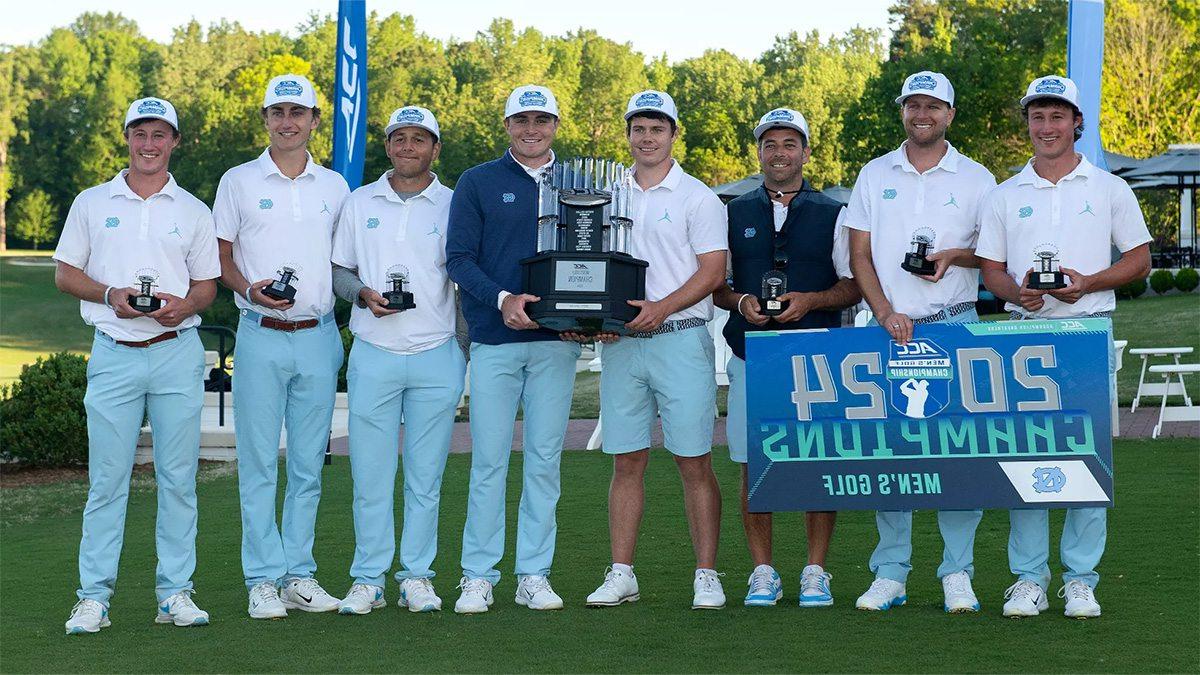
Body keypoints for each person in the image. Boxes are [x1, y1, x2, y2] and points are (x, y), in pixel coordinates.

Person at [978, 75, 1150, 619]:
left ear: (1077, 122)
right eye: (1037, 117)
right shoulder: (1005, 193)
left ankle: (1080, 579)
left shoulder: (1109, 188)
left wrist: (1090, 282)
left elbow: (1139, 259)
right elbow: (991, 271)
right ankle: (1028, 578)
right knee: (1025, 455)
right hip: (1023, 335)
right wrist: (1017, 293)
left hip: (1086, 333)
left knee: (1087, 455)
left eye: (1057, 117)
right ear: (1027, 124)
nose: (1047, 127)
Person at [57, 97, 220, 633]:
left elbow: (207, 286)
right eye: (140, 133)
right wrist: (110, 294)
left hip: (176, 351)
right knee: (107, 481)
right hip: (114, 353)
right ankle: (93, 597)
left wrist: (186, 305)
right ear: (127, 137)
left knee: (178, 481)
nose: (149, 144)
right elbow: (65, 273)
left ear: (175, 141)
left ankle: (174, 593)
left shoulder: (194, 210)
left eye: (159, 134)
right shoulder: (90, 201)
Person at [845, 71, 997, 613]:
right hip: (887, 328)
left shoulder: (979, 179)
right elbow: (859, 254)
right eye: (913, 105)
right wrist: (882, 310)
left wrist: (957, 256)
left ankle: (957, 571)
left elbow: (996, 257)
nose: (922, 114)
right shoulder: (873, 172)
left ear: (950, 115)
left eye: (933, 105)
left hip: (954, 325)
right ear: (903, 112)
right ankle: (891, 571)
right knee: (891, 455)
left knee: (958, 452)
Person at [583, 90, 730, 610]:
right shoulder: (605, 192)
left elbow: (713, 272)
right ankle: (622, 572)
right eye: (638, 129)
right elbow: (589, 265)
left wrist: (661, 307)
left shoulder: (697, 197)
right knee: (627, 461)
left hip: (680, 338)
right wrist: (593, 318)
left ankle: (706, 575)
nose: (647, 138)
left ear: (672, 135)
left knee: (694, 460)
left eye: (657, 129)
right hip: (622, 342)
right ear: (628, 134)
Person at [213, 74, 350, 619]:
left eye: (298, 113)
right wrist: (248, 290)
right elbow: (219, 257)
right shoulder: (238, 181)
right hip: (259, 337)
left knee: (309, 467)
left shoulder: (335, 187)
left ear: (315, 119)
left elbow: (344, 265)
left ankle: (299, 575)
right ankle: (262, 580)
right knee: (259, 463)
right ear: (265, 119)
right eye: (277, 113)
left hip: (319, 337)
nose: (287, 122)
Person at [712, 107, 860, 607]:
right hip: (752, 352)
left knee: (817, 461)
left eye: (789, 144)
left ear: (805, 151)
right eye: (770, 144)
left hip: (817, 356)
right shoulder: (732, 210)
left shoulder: (834, 212)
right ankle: (763, 571)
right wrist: (740, 303)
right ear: (759, 152)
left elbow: (852, 286)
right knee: (755, 463)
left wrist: (811, 301)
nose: (779, 153)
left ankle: (816, 570)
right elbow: (718, 286)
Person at [446, 85, 581, 613]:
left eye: (541, 119)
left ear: (554, 124)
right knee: (489, 461)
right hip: (496, 341)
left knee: (545, 460)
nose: (532, 129)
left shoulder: (579, 182)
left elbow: (598, 256)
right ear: (506, 126)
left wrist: (588, 314)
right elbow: (458, 259)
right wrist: (502, 299)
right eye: (522, 120)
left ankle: (533, 574)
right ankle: (478, 575)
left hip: (557, 341)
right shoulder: (478, 181)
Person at [330, 106, 465, 615]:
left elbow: (463, 279)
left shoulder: (454, 204)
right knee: (370, 474)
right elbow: (339, 270)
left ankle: (417, 576)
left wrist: (461, 346)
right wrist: (363, 293)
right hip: (373, 352)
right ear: (387, 146)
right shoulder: (359, 200)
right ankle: (368, 578)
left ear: (434, 148)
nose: (408, 147)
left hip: (436, 353)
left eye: (419, 139)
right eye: (399, 138)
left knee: (426, 476)